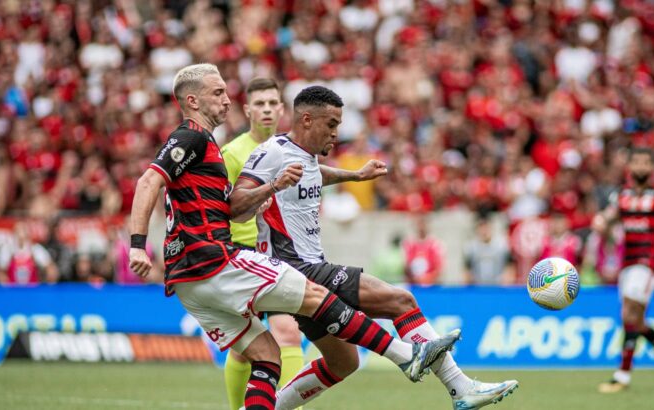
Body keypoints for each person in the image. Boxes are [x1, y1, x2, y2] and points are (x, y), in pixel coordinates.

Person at [128, 64, 460, 410]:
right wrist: (137, 246)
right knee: (314, 295)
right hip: (215, 259)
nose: (227, 100)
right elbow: (150, 180)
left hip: (187, 279)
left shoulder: (211, 145)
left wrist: (351, 176)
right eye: (218, 93)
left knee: (267, 357)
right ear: (193, 101)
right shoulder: (193, 137)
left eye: (227, 92)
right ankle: (406, 355)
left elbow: (304, 172)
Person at [232, 85, 518, 410]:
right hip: (295, 268)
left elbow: (312, 174)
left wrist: (353, 176)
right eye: (331, 124)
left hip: (303, 271)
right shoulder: (273, 152)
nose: (336, 134)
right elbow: (235, 205)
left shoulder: (303, 156)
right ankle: (460, 387)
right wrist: (272, 186)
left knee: (343, 362)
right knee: (400, 301)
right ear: (307, 120)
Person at [220, 78, 304, 410]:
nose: (267, 109)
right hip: (242, 255)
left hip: (282, 255)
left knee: (288, 334)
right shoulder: (232, 153)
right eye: (260, 103)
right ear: (247, 110)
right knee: (243, 347)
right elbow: (222, 208)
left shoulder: (293, 150)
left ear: (282, 109)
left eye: (273, 103)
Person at [593, 147, 654, 394]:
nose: (640, 166)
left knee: (629, 315)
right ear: (629, 167)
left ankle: (623, 376)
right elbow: (608, 220)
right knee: (634, 321)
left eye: (644, 162)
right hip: (627, 263)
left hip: (649, 262)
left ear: (652, 168)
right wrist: (602, 225)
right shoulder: (621, 195)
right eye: (635, 161)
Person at [463, 217, 513, 285]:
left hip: (498, 286)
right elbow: (467, 270)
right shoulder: (471, 247)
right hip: (478, 287)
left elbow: (510, 266)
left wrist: (507, 281)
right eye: (481, 228)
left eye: (486, 228)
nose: (484, 231)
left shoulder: (501, 245)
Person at [403, 214, 444, 285]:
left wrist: (426, 279)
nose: (421, 227)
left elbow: (438, 268)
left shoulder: (435, 244)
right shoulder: (409, 244)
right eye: (419, 224)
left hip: (430, 285)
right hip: (413, 284)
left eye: (423, 224)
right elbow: (406, 266)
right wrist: (413, 278)